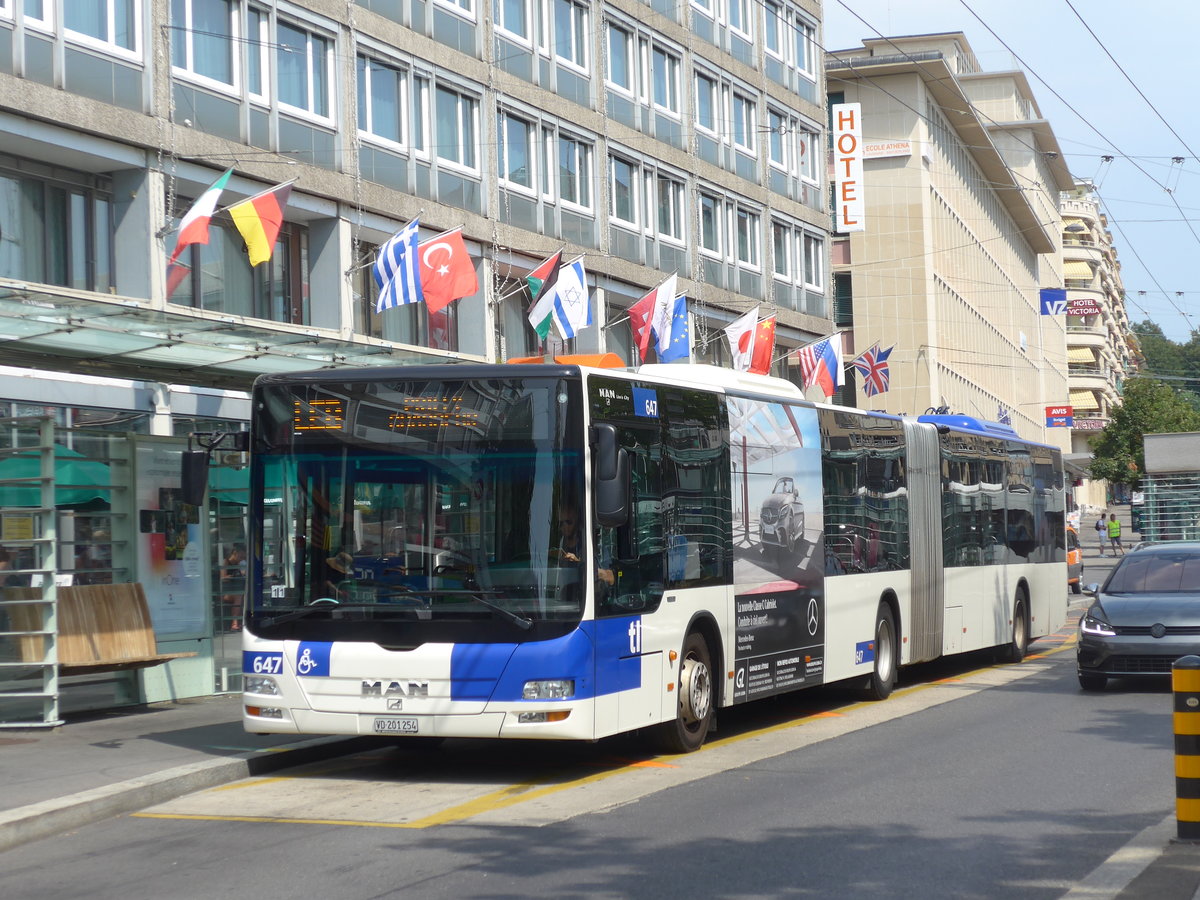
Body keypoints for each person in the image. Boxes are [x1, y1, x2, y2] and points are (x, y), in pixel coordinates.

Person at [555, 503, 614, 586]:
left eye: (569, 522)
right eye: (561, 523)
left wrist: (578, 563)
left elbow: (611, 578)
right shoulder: (557, 548)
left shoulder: (595, 548)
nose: (564, 527)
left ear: (577, 522)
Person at [221, 543, 247, 631]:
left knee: (242, 596)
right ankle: (234, 622)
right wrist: (233, 576)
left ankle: (242, 621)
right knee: (239, 596)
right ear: (235, 553)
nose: (241, 560)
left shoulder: (238, 565)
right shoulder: (226, 562)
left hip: (235, 591)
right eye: (240, 557)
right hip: (225, 593)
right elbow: (223, 577)